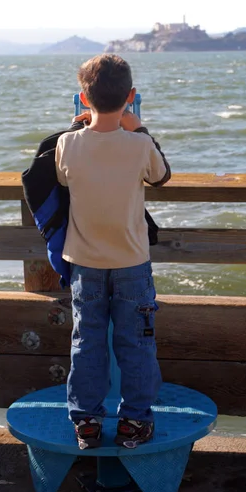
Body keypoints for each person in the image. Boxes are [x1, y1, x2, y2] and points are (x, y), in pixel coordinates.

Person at [55, 54, 171, 450]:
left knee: (86, 342)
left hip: (84, 264)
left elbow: (60, 174)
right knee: (136, 344)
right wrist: (140, 128)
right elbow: (161, 176)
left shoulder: (67, 143)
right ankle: (134, 422)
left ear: (83, 100)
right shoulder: (139, 145)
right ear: (131, 97)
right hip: (132, 264)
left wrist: (79, 126)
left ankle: (86, 420)